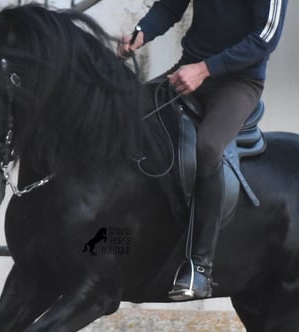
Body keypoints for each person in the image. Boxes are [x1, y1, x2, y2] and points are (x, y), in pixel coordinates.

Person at [120, 0, 288, 300]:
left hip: (238, 82)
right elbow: (169, 8)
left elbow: (265, 37)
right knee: (126, 118)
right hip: (189, 69)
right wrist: (141, 32)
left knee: (208, 146)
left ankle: (199, 267)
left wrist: (206, 69)